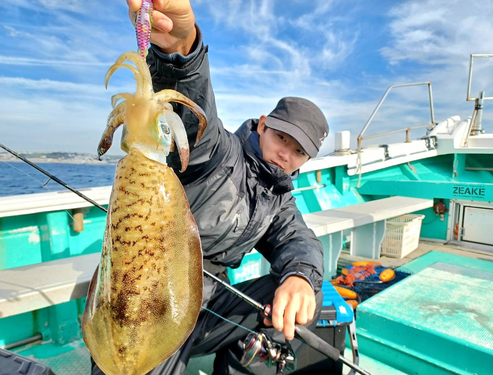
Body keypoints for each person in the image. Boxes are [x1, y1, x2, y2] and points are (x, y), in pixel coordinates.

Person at [92, 1, 329, 374]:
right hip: (152, 300)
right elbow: (193, 121)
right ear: (264, 124)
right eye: (283, 138)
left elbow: (298, 240)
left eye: (299, 152)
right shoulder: (219, 151)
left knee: (302, 299)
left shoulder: (278, 200)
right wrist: (179, 50)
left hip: (210, 305)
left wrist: (300, 276)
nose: (286, 154)